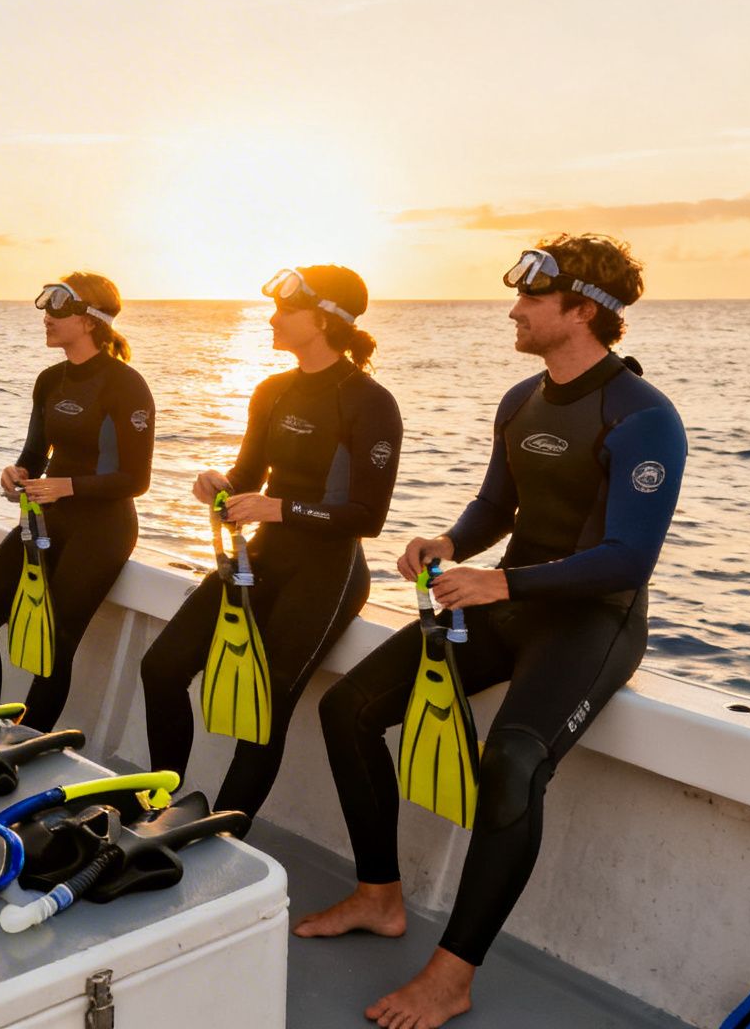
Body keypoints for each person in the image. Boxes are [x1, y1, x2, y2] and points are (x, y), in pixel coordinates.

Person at [294, 234, 687, 1028]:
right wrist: (449, 545)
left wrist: (502, 580)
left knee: (510, 762)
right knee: (351, 708)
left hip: (593, 621)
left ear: (583, 311)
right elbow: (496, 508)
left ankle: (451, 975)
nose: (513, 310)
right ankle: (380, 895)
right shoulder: (522, 399)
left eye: (532, 301)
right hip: (507, 598)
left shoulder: (644, 419)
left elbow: (627, 560)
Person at [138, 265, 400, 815]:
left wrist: (279, 508)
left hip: (327, 573)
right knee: (161, 666)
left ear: (325, 320)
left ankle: (228, 834)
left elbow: (366, 517)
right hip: (262, 559)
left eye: (286, 310)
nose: (273, 319)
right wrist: (219, 486)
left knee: (267, 703)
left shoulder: (369, 402)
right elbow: (248, 477)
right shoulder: (272, 390)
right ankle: (162, 805)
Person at [0, 273, 153, 732]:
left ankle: (26, 741)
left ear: (88, 319)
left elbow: (136, 479)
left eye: (58, 307)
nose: (46, 315)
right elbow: (33, 454)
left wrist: (68, 487)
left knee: (56, 642)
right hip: (49, 519)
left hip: (102, 529)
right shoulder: (49, 380)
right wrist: (17, 474)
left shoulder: (127, 385)